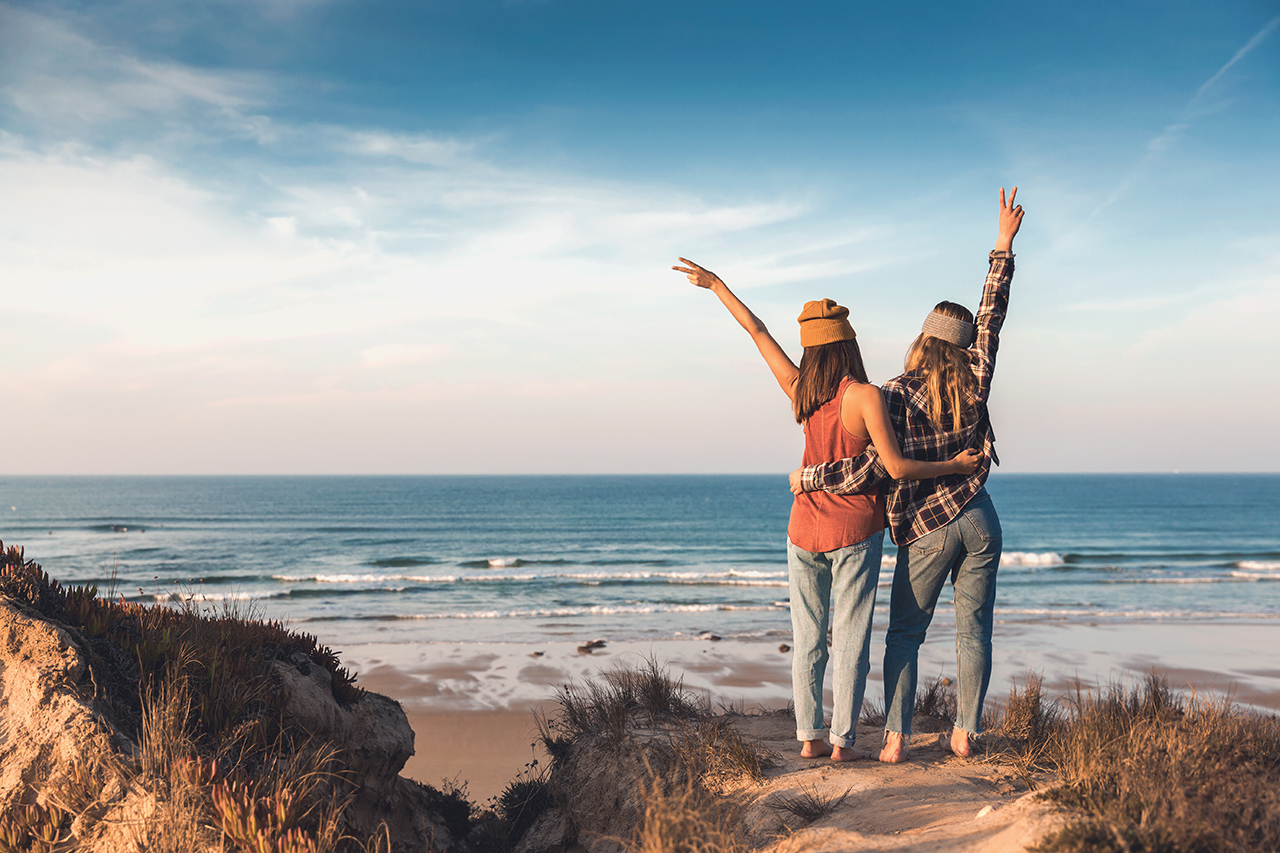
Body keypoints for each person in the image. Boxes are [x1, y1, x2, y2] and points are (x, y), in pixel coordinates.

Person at [673, 258, 980, 761]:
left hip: (802, 529)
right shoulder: (866, 397)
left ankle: (809, 739)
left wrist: (716, 286)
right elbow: (898, 468)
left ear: (811, 351)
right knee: (851, 639)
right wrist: (954, 462)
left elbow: (758, 331)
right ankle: (842, 744)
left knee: (808, 640)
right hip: (855, 529)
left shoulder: (799, 391)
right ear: (850, 345)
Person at [789, 187, 1025, 763]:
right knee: (975, 632)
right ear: (964, 347)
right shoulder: (977, 376)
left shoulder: (892, 395)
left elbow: (873, 468)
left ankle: (894, 739)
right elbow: (992, 312)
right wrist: (1002, 245)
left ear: (921, 340)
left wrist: (813, 477)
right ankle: (966, 733)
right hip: (980, 518)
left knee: (905, 635)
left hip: (927, 528)